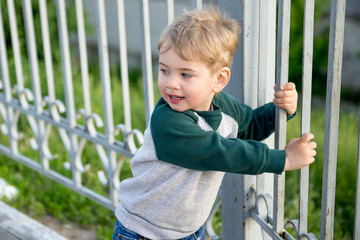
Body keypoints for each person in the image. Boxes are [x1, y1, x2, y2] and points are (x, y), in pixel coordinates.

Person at [112, 6, 317, 240]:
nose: (171, 83)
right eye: (164, 70)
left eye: (185, 74)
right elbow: (222, 152)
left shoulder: (224, 107)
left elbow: (250, 126)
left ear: (219, 80)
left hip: (185, 230)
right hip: (141, 230)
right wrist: (285, 159)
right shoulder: (167, 121)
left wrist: (281, 109)